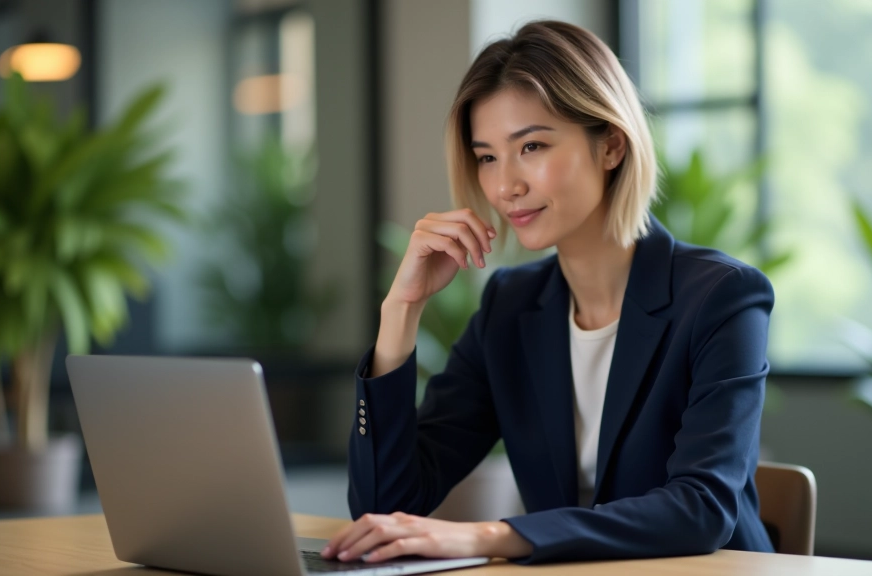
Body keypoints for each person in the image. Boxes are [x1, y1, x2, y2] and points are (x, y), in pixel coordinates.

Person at [320, 20, 776, 565]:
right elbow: (384, 504)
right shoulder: (509, 308)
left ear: (610, 145)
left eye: (531, 146)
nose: (505, 185)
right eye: (487, 156)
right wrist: (401, 312)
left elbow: (700, 510)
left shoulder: (722, 298)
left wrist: (490, 536)